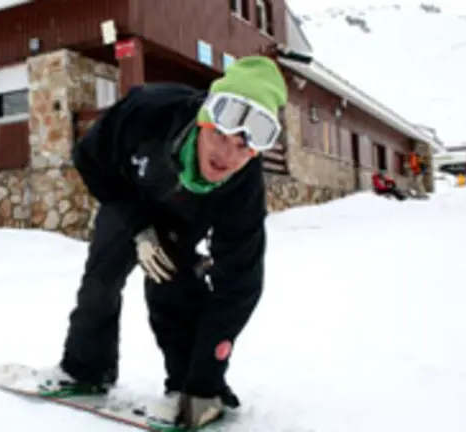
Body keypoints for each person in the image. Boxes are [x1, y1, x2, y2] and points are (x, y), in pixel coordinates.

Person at [33, 56, 287, 429]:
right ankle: (86, 369)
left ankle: (188, 386)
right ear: (203, 119)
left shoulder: (243, 189)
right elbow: (90, 158)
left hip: (181, 219)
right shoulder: (149, 110)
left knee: (171, 285)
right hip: (129, 198)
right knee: (100, 282)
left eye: (242, 147)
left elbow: (239, 284)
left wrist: (206, 381)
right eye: (219, 134)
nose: (225, 156)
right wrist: (138, 228)